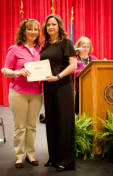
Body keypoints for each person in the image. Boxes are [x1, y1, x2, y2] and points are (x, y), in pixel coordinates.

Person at [2, 19, 42, 168]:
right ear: (23, 31)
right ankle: (19, 156)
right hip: (18, 93)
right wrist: (18, 72)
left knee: (31, 126)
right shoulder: (14, 49)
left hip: (36, 93)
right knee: (20, 127)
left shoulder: (40, 50)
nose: (33, 32)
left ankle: (30, 155)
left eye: (36, 30)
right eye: (30, 29)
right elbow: (6, 71)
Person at [40, 14, 77, 172]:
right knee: (52, 121)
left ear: (59, 25)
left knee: (64, 121)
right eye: (48, 25)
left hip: (62, 85)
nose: (51, 27)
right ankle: (53, 157)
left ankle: (66, 161)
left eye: (54, 24)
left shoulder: (66, 42)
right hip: (48, 86)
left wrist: (58, 76)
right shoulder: (46, 44)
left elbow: (73, 65)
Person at [71, 37, 98, 114]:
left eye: (88, 47)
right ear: (79, 47)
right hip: (77, 88)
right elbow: (71, 72)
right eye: (83, 47)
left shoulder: (94, 59)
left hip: (91, 88)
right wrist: (85, 70)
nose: (86, 49)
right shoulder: (74, 58)